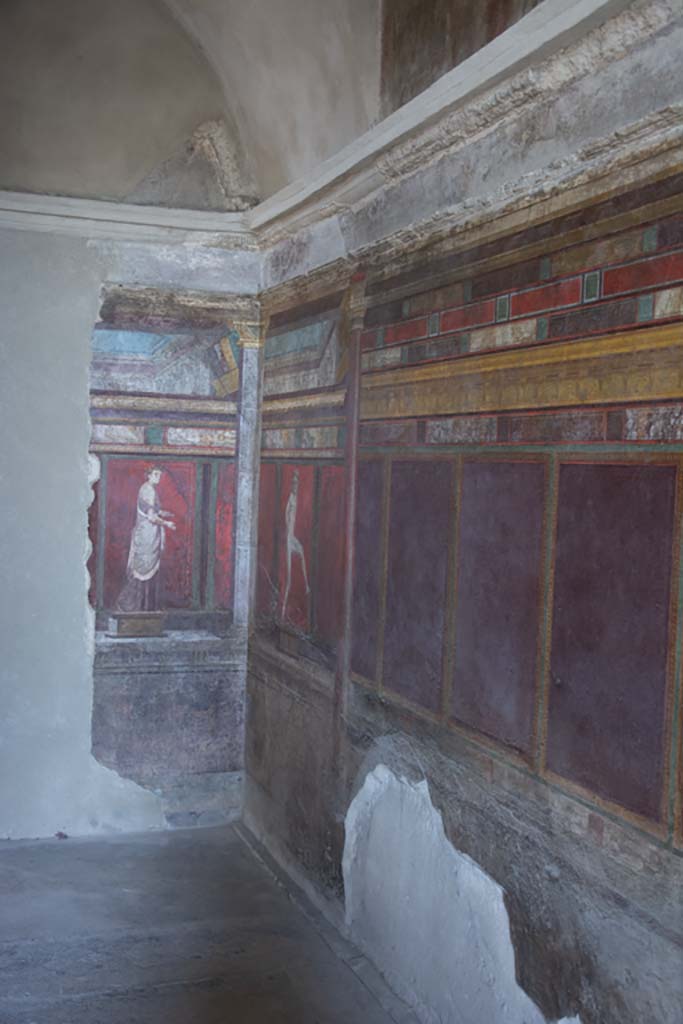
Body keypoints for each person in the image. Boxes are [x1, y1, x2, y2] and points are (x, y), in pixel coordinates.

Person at [116, 467, 176, 612]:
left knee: (145, 572)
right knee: (143, 570)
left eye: (160, 474)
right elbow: (151, 517)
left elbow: (152, 510)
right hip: (147, 537)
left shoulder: (147, 488)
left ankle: (143, 608)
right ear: (148, 475)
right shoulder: (148, 490)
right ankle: (136, 607)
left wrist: (164, 513)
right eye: (155, 474)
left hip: (147, 535)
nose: (158, 477)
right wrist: (167, 523)